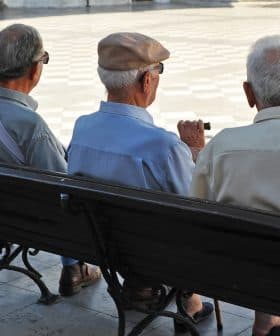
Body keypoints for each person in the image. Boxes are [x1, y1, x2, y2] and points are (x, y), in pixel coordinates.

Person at [67, 32, 213, 323]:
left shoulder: (81, 129)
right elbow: (197, 208)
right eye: (158, 73)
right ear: (147, 81)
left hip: (103, 249)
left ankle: (140, 288)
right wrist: (195, 152)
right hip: (156, 257)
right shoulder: (164, 146)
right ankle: (189, 303)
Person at [187, 35, 280, 336]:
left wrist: (197, 155)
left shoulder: (222, 146)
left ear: (249, 93)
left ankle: (265, 319)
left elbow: (196, 212)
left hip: (240, 276)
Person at [0, 23, 101, 297]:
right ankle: (74, 267)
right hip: (28, 220)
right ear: (34, 69)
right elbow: (63, 190)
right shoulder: (30, 125)